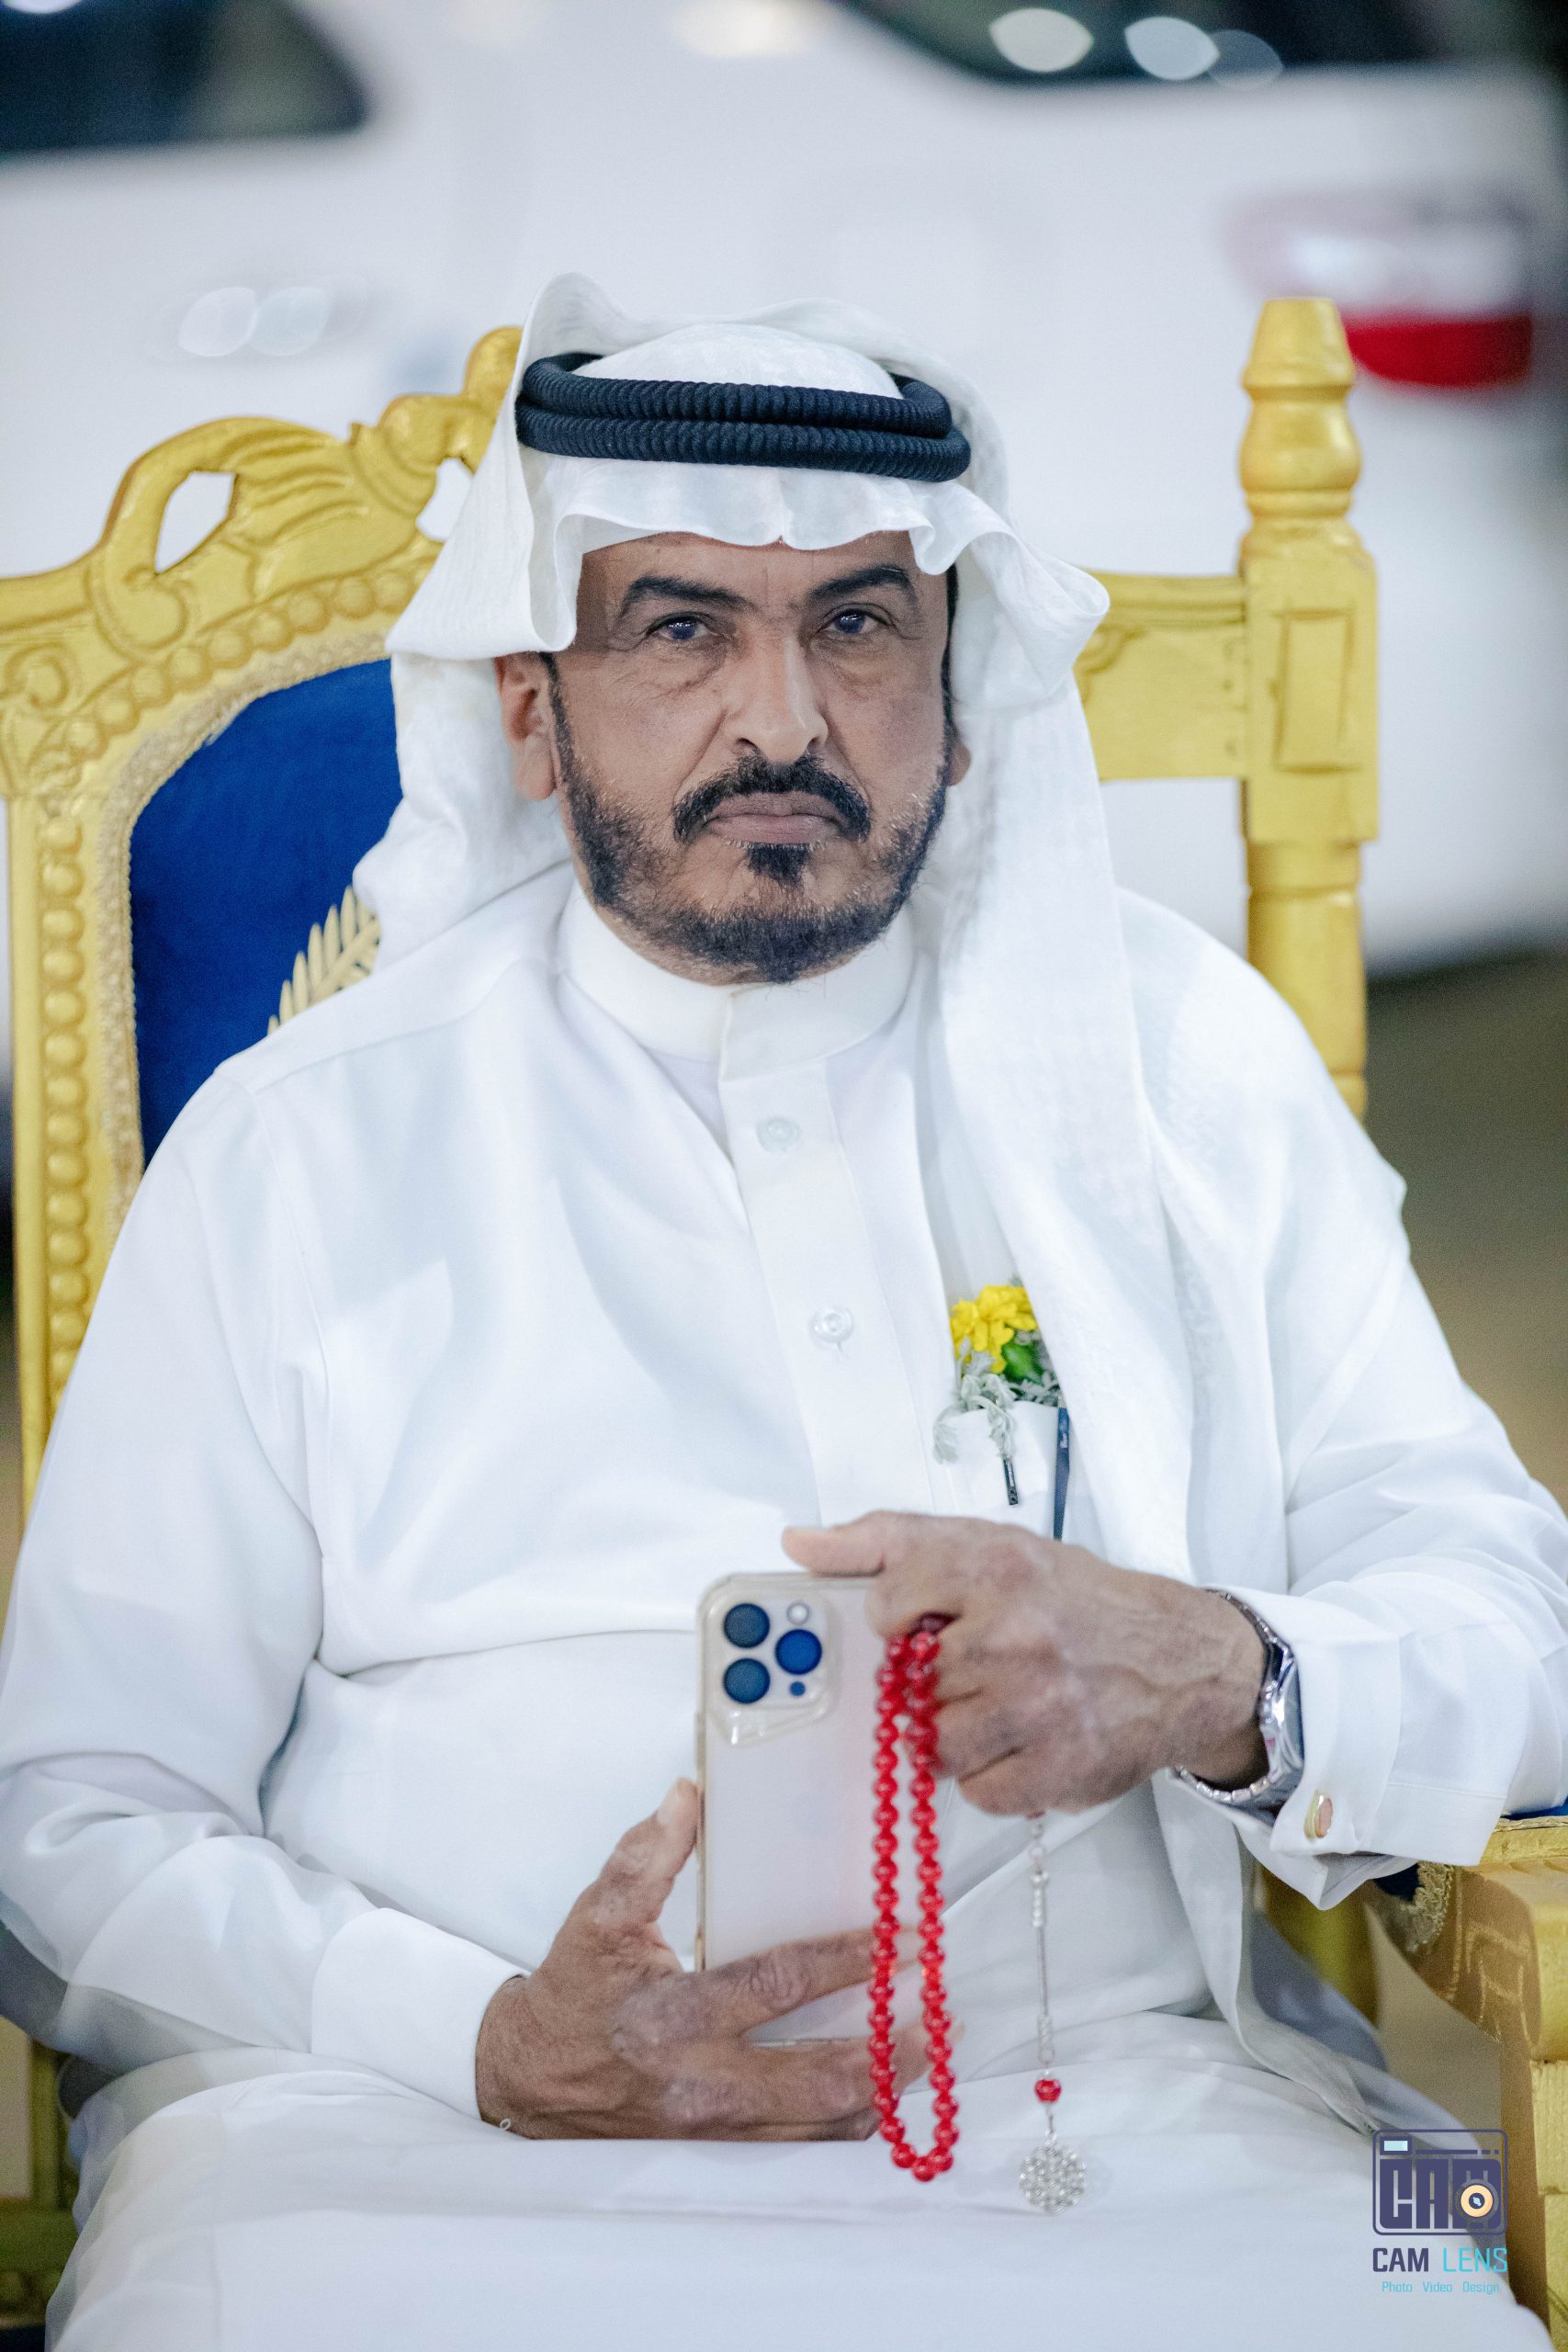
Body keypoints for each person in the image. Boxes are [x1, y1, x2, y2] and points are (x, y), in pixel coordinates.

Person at [0, 276, 1564, 2351]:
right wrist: (475, 2029)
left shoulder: (1181, 1067)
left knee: (1414, 2300)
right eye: (680, 630)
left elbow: (1512, 1625)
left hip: (1111, 2110)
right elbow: (73, 1811)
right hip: (406, 2146)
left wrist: (1229, 1670)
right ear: (530, 710)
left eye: (855, 624)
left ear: (955, 680)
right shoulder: (304, 1144)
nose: (785, 722)